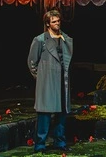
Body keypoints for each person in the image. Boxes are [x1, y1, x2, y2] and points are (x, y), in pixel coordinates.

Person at [27, 9, 73, 153]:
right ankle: (40, 144)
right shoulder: (40, 40)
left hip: (62, 81)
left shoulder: (65, 39)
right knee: (44, 114)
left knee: (62, 113)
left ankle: (60, 142)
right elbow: (32, 62)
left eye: (58, 21)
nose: (57, 23)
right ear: (47, 24)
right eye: (54, 22)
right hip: (47, 81)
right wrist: (41, 77)